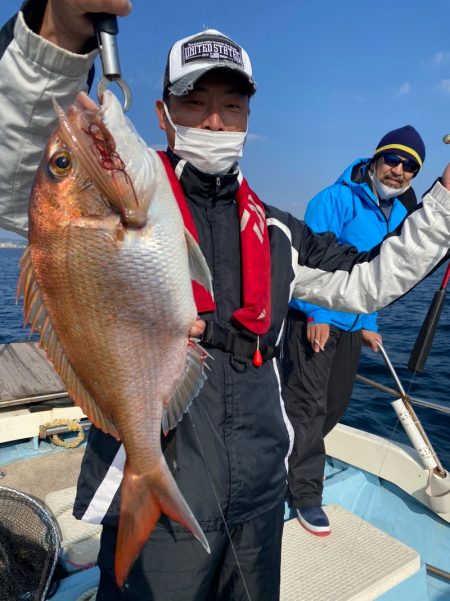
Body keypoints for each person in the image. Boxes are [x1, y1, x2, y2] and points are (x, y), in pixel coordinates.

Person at [0, 2, 449, 600]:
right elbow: (24, 164)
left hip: (263, 491)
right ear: (161, 114)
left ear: (247, 119)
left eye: (232, 106)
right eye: (194, 102)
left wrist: (444, 201)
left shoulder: (278, 230)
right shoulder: (119, 198)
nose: (214, 121)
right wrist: (57, 32)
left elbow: (369, 279)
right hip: (164, 488)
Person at [283, 125, 426, 537]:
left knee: (336, 404)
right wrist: (317, 316)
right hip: (314, 320)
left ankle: (292, 461)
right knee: (307, 405)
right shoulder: (335, 199)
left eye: (409, 166)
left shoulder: (400, 214)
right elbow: (303, 262)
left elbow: (376, 279)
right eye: (393, 159)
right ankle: (305, 494)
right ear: (376, 158)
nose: (398, 171)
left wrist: (368, 324)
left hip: (350, 326)